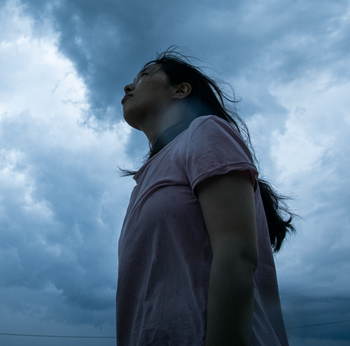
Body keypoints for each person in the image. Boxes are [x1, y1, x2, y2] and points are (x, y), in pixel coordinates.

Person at [117, 49, 293, 346]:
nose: (128, 86)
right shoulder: (143, 180)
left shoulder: (205, 132)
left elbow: (236, 256)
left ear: (180, 90)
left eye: (144, 76)